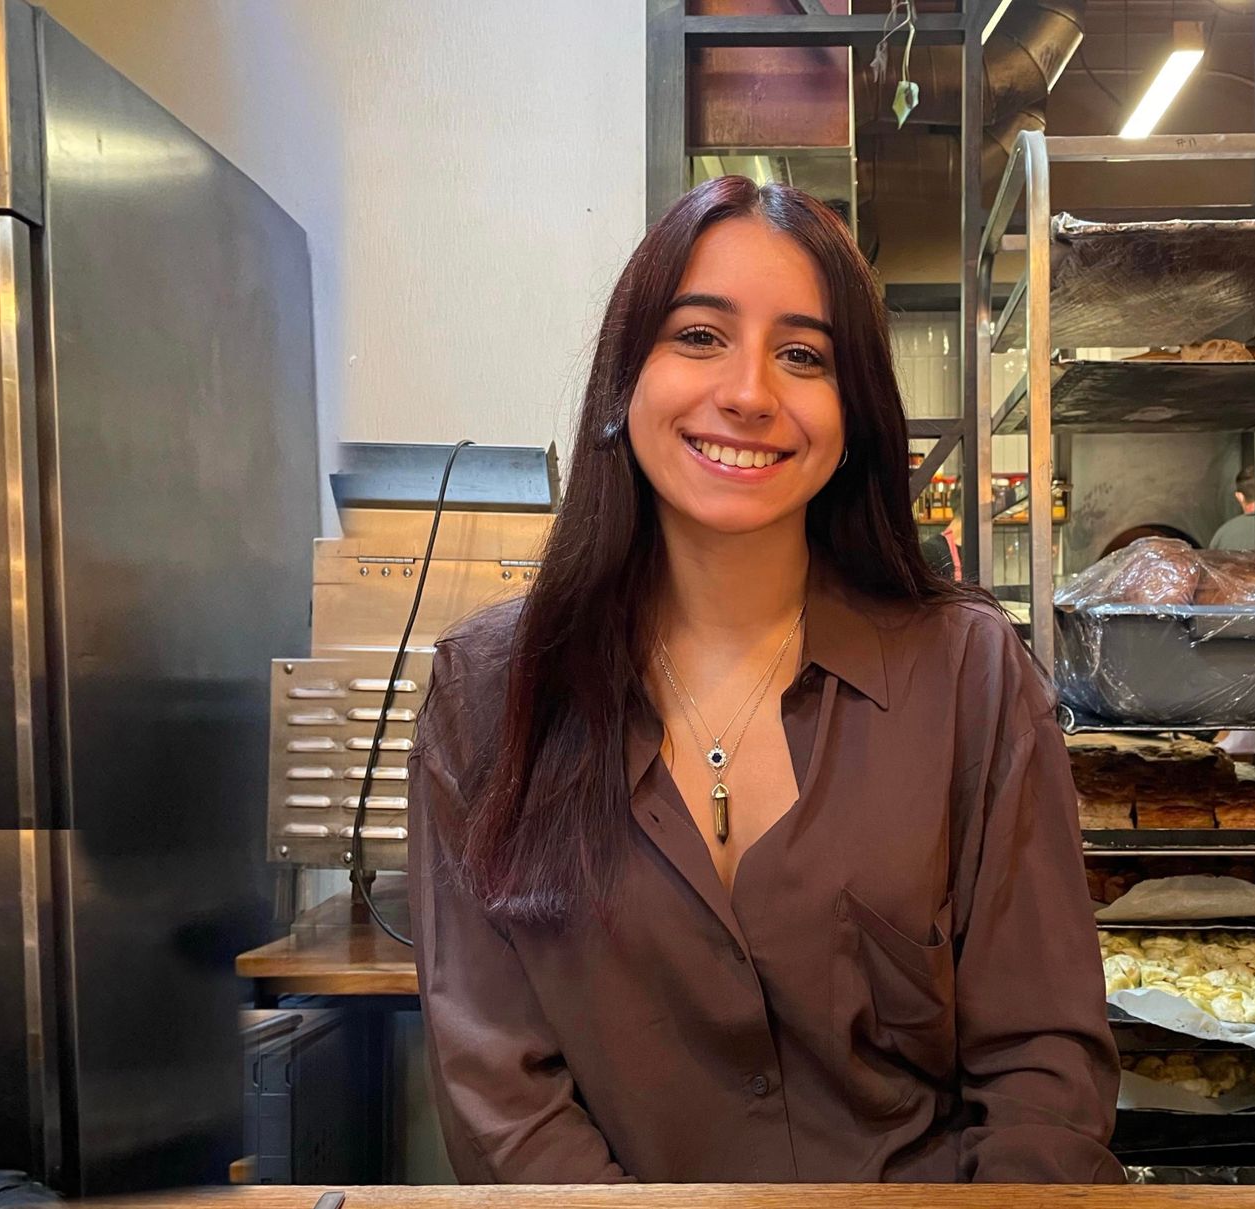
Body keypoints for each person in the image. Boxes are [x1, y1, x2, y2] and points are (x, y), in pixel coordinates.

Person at [407, 176, 1121, 1184]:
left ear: (852, 411)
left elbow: (1043, 1063)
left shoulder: (967, 672)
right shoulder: (488, 692)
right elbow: (500, 1093)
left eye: (802, 355)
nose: (748, 392)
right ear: (625, 378)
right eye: (699, 336)